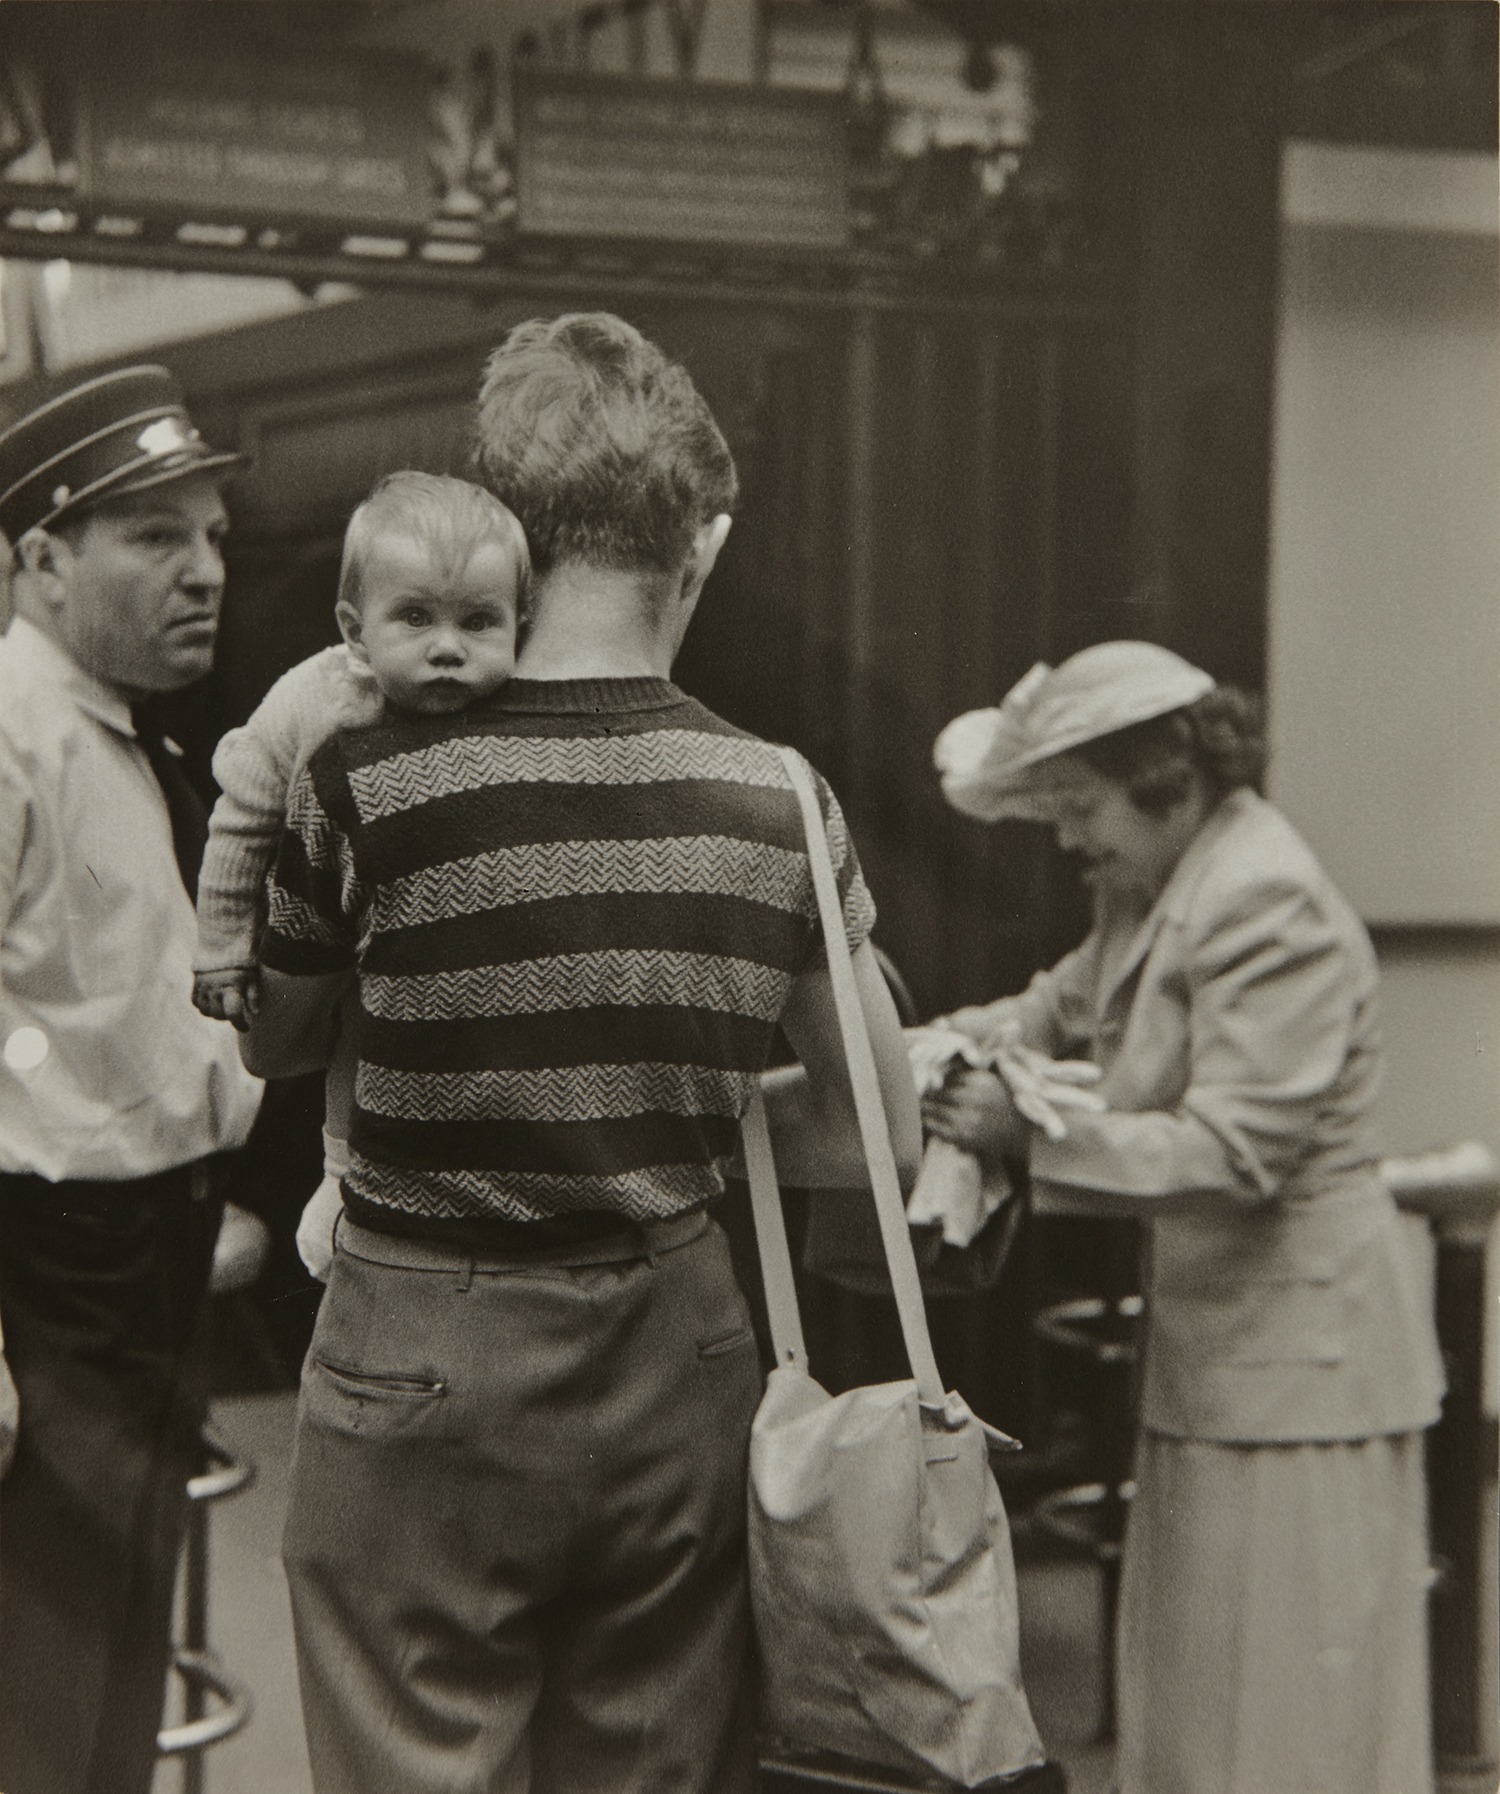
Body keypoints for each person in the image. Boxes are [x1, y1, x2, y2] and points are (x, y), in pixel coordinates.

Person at [240, 311, 922, 1794]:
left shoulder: (361, 781)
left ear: (515, 541)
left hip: (420, 1351)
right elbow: (881, 1135)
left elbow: (283, 1038)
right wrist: (681, 1100)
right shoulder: (777, 800)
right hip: (677, 1343)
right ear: (703, 543)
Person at [923, 640, 1445, 1794]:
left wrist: (1028, 1137)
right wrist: (911, 1062)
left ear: (1168, 781)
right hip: (1226, 1356)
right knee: (1204, 1695)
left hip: (1307, 1370)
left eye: (1080, 807)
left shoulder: (1263, 897)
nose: (1068, 838)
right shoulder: (1154, 892)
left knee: (1292, 1700)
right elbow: (1041, 1014)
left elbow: (1235, 1152)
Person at [0, 365, 264, 1794]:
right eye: (155, 536)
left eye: (213, 537)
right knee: (40, 1705)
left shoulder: (125, 731)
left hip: (147, 1261)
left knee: (108, 1678)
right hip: (51, 1275)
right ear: (41, 555)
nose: (205, 572)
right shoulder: (10, 738)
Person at [192, 471, 529, 1266]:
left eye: (479, 621)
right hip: (334, 929)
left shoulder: (512, 706)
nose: (448, 647)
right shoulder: (314, 702)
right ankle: (339, 1179)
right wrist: (221, 948)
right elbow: (239, 825)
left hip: (457, 942)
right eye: (414, 618)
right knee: (357, 1036)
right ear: (354, 628)